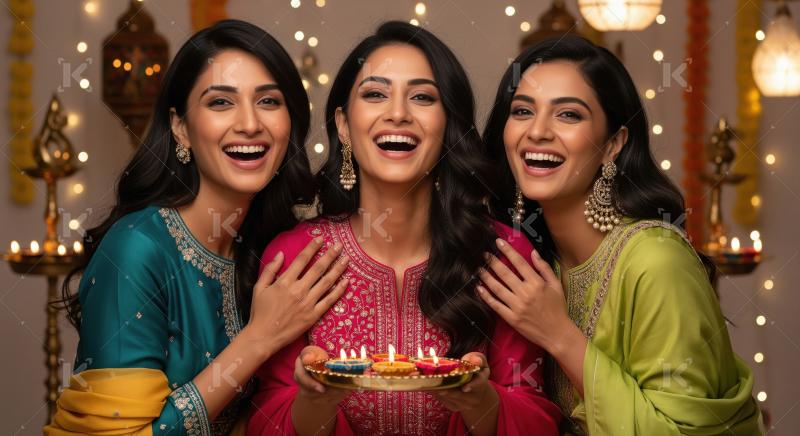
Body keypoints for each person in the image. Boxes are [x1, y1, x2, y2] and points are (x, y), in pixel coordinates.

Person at [247, 21, 561, 436]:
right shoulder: (297, 257)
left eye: (422, 97)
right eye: (375, 94)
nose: (398, 113)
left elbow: (538, 419)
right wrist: (314, 402)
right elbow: (265, 419)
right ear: (343, 124)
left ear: (447, 126)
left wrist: (481, 401)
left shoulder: (503, 253)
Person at [46, 20, 348, 435]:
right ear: (180, 127)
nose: (249, 124)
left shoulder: (267, 248)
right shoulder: (137, 248)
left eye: (269, 102)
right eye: (221, 103)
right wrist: (258, 338)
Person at [478, 35, 762, 435]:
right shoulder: (533, 262)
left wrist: (560, 335)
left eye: (568, 115)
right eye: (522, 110)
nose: (537, 131)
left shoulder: (656, 260)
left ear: (613, 144)